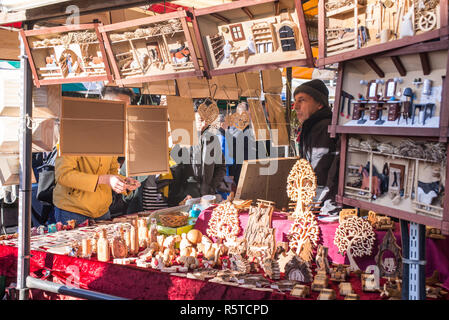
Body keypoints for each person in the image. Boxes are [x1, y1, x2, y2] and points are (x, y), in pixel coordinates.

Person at [52, 86, 141, 225]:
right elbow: (63, 175)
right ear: (103, 104)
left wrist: (123, 182)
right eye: (119, 108)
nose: (124, 114)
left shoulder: (113, 133)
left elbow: (111, 171)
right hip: (72, 211)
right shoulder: (74, 129)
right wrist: (106, 179)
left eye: (127, 109)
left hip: (102, 211)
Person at [293, 79, 340, 214]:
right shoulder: (312, 127)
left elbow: (321, 172)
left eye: (302, 100)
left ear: (319, 103)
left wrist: (315, 206)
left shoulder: (323, 128)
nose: (295, 106)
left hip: (322, 206)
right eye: (295, 100)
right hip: (318, 203)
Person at [170, 100, 227, 205]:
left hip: (207, 196)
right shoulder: (181, 138)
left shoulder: (212, 139)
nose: (204, 123)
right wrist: (182, 193)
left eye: (206, 120)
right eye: (200, 120)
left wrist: (211, 187)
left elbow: (221, 167)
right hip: (185, 197)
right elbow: (174, 168)